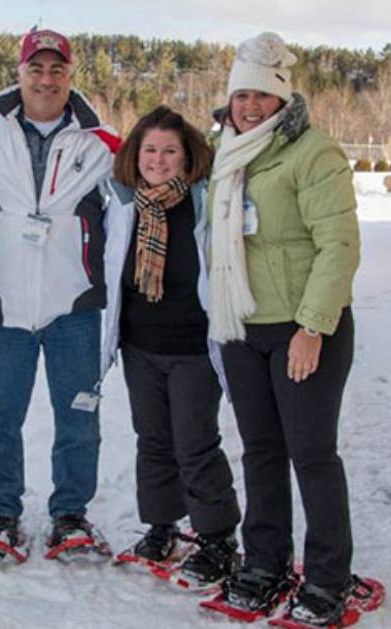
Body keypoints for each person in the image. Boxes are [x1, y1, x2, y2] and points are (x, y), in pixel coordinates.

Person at [205, 33, 364, 627]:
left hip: (303, 328)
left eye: (261, 96)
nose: (249, 106)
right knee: (261, 452)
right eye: (240, 95)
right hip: (244, 327)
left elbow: (339, 246)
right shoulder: (226, 155)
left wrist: (312, 326)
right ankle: (266, 560)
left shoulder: (311, 153)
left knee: (312, 454)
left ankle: (328, 577)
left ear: (281, 98)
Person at [0, 28, 121, 563]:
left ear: (70, 75)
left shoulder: (101, 142)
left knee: (78, 415)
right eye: (37, 68)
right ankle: (1, 512)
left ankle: (71, 515)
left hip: (73, 304)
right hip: (3, 300)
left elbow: (153, 178)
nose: (47, 79)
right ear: (20, 71)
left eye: (57, 69)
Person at [101, 106, 240, 587]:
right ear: (135, 155)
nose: (158, 160)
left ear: (187, 157)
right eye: (150, 150)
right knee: (153, 440)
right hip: (140, 345)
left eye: (169, 151)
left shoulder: (206, 201)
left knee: (195, 442)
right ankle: (162, 526)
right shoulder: (122, 202)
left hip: (194, 349)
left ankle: (218, 537)